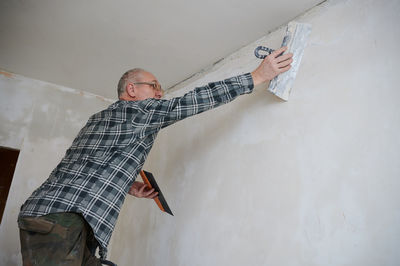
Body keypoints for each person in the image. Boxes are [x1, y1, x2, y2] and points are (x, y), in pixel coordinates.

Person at [17, 47, 293, 265]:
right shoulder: (135, 111)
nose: (160, 93)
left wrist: (127, 185)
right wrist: (256, 77)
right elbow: (190, 102)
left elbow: (85, 164)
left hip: (58, 217)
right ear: (132, 90)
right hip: (63, 219)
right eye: (154, 85)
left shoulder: (100, 118)